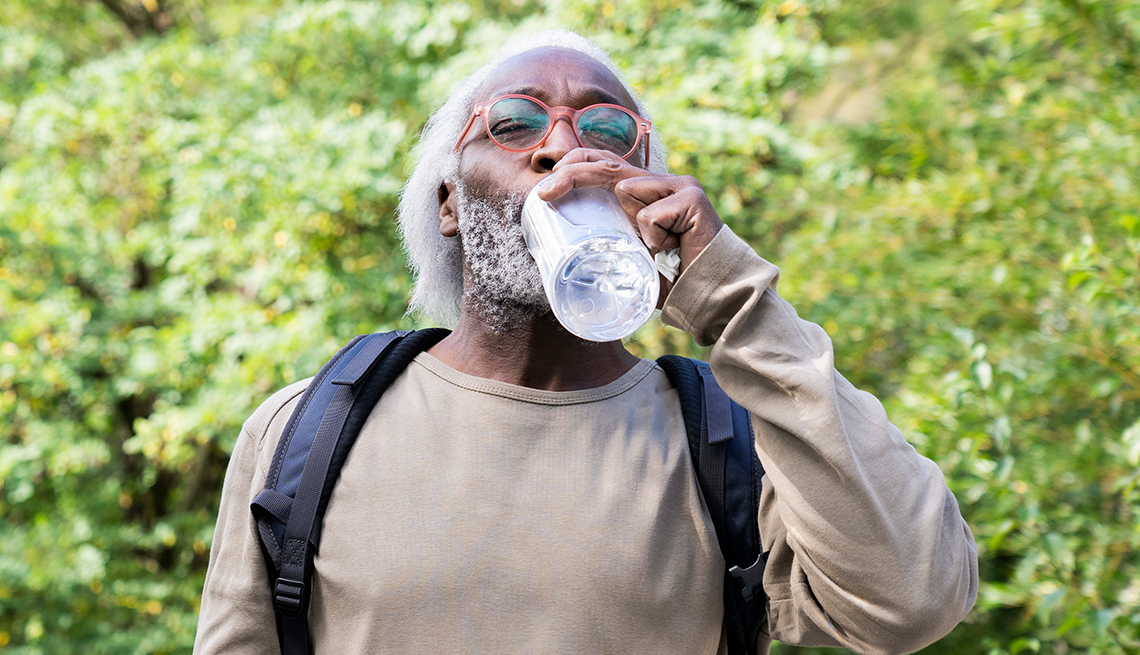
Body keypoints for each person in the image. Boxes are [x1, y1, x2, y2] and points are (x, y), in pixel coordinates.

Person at [194, 30, 978, 655]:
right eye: (515, 122)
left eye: (607, 130)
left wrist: (731, 296)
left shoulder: (731, 445)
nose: (562, 148)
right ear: (448, 205)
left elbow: (912, 601)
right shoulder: (308, 431)